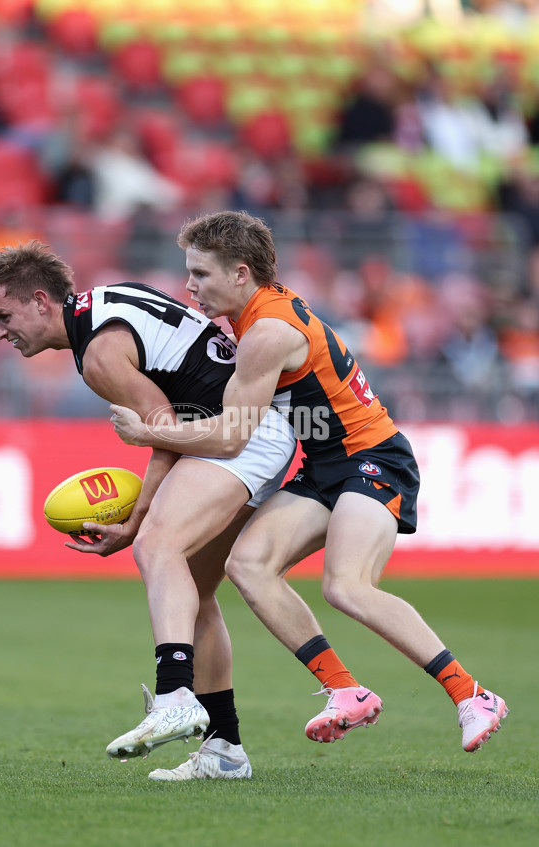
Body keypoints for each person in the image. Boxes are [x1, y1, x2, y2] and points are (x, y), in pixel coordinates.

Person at [110, 210, 509, 754]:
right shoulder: (257, 315)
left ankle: (472, 694)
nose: (189, 286)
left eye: (201, 274)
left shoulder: (267, 332)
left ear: (240, 273)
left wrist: (149, 431)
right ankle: (344, 690)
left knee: (346, 586)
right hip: (324, 464)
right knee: (247, 565)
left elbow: (232, 437)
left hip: (373, 457)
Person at [0, 240, 296, 780]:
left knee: (156, 546)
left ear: (41, 301)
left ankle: (174, 696)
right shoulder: (104, 303)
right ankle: (224, 749)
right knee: (194, 592)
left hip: (240, 433)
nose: (0, 332)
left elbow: (160, 421)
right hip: (253, 426)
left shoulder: (96, 353)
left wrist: (137, 519)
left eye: (3, 315)